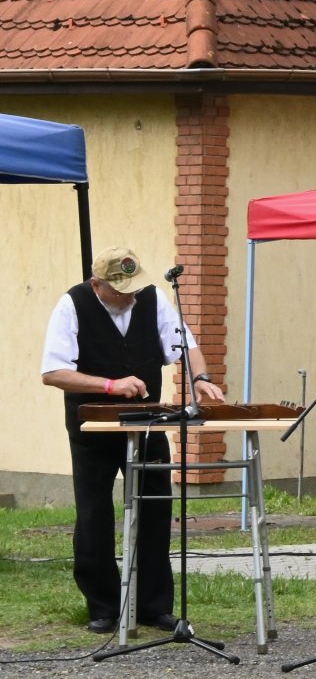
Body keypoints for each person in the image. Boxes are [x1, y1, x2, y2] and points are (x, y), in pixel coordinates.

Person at [41, 248, 226, 633]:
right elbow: (54, 371)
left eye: (134, 288)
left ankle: (153, 605)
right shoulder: (72, 304)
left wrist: (202, 378)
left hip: (146, 422)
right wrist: (110, 385)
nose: (131, 297)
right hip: (93, 427)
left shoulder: (154, 298)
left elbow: (185, 346)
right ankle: (103, 606)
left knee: (157, 508)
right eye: (121, 290)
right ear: (97, 285)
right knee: (95, 513)